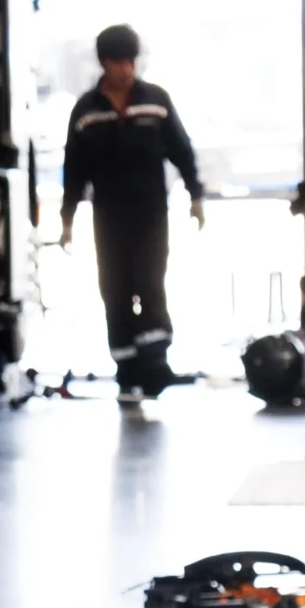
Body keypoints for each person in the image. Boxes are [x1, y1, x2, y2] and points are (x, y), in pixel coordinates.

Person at [59, 24, 203, 400]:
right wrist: (67, 219)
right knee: (116, 289)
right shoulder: (86, 111)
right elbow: (73, 167)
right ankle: (127, 369)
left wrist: (196, 196)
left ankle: (156, 366)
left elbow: (182, 150)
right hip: (108, 217)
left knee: (150, 283)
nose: (128, 69)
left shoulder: (155, 101)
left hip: (151, 214)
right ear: (104, 63)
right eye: (120, 62)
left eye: (131, 61)